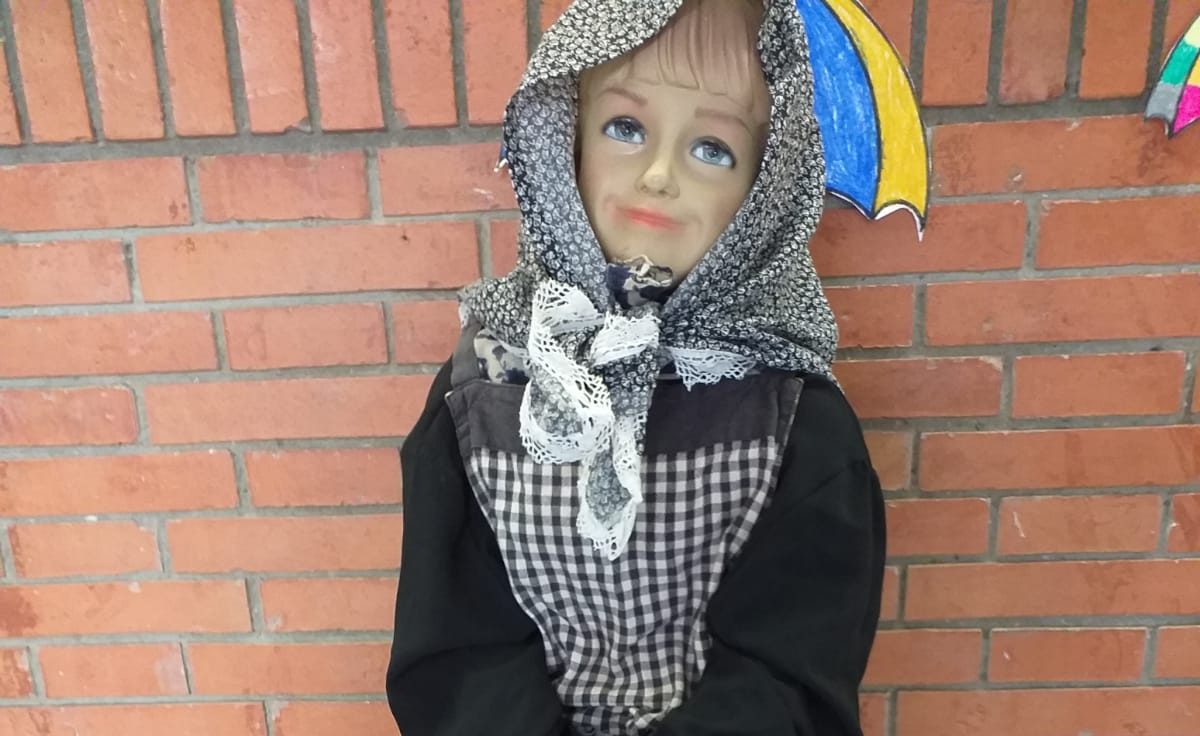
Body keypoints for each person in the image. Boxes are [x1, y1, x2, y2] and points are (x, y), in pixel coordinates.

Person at [386, 1, 886, 734]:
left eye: (712, 148)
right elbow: (455, 651)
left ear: (764, 189)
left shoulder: (795, 418)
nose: (658, 174)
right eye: (625, 128)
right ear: (565, 142)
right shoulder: (483, 391)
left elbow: (791, 675)